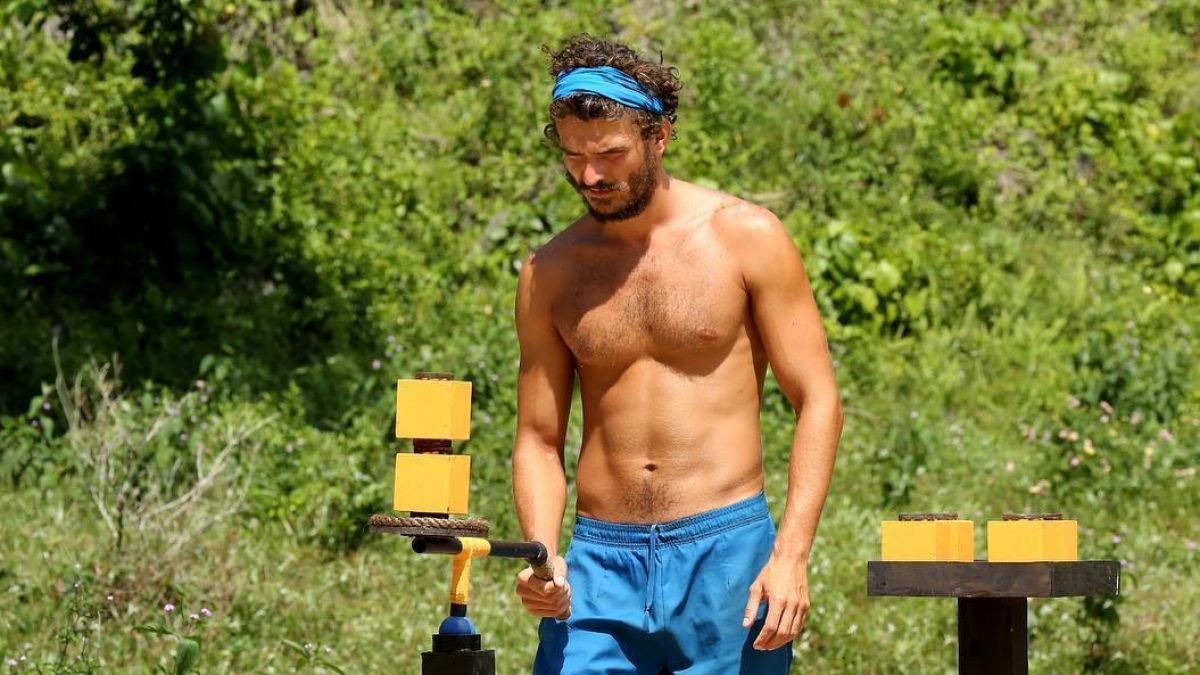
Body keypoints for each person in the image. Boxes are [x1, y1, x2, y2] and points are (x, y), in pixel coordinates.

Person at [511, 34, 843, 674]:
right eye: (574, 155)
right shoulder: (549, 273)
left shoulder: (746, 237)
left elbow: (818, 400)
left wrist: (791, 555)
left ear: (659, 136)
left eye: (610, 154)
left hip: (726, 557)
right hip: (599, 568)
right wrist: (544, 555)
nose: (590, 176)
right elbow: (538, 438)